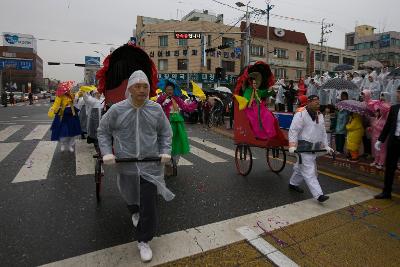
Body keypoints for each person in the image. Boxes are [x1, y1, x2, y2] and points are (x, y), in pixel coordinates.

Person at [97, 70, 174, 262]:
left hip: (150, 165)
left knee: (149, 203)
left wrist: (166, 151)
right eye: (137, 86)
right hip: (127, 163)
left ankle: (144, 240)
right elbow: (103, 131)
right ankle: (134, 210)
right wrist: (107, 152)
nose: (141, 90)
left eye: (145, 86)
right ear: (130, 88)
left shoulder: (155, 109)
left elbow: (166, 132)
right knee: (131, 196)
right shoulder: (117, 109)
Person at [288, 95, 333, 202]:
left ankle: (292, 184)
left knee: (300, 168)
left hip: (314, 148)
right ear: (309, 102)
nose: (318, 103)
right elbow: (293, 130)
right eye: (315, 102)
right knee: (310, 171)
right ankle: (319, 195)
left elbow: (323, 133)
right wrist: (292, 146)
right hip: (303, 148)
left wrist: (326, 146)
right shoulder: (301, 113)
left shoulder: (320, 115)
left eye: (318, 101)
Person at [156, 78, 197, 168]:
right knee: (165, 141)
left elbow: (186, 107)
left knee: (176, 141)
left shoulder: (177, 99)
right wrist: (163, 104)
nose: (170, 91)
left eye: (171, 89)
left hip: (176, 124)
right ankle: (165, 158)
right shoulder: (161, 98)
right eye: (168, 89)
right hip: (165, 122)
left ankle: (172, 160)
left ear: (174, 90)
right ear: (165, 90)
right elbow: (156, 108)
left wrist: (196, 102)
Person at [374, 85, 400, 199]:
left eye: (399, 93)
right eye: (397, 93)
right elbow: (388, 126)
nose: (397, 95)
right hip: (394, 141)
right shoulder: (394, 108)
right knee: (390, 167)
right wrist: (380, 140)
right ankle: (386, 192)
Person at [48, 82, 81, 152]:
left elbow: (76, 101)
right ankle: (63, 144)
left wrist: (78, 95)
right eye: (69, 88)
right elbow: (56, 104)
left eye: (70, 88)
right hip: (63, 114)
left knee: (73, 130)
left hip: (72, 113)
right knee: (63, 131)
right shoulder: (60, 96)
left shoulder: (72, 95)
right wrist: (53, 108)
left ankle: (70, 145)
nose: (70, 89)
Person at [369, 100, 390, 169]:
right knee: (376, 150)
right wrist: (371, 128)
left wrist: (376, 127)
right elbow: (374, 127)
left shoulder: (385, 119)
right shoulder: (377, 118)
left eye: (377, 111)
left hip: (382, 138)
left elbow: (385, 130)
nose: (375, 113)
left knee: (382, 151)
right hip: (375, 137)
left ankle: (381, 163)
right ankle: (376, 161)